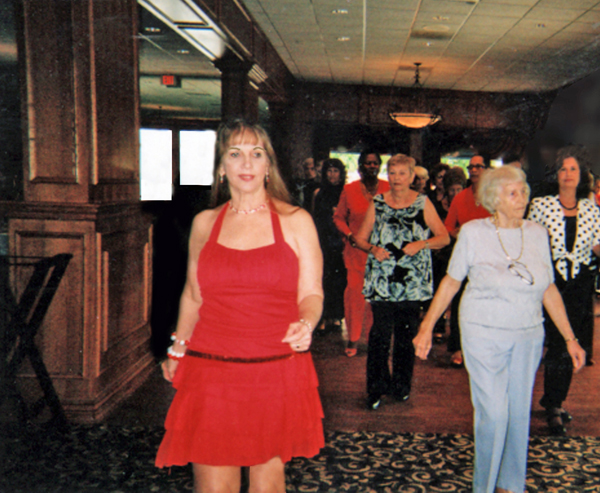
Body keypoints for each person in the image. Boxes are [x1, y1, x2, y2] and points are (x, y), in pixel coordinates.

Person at [155, 119, 325, 492]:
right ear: (221, 166)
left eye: (256, 154)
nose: (246, 164)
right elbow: (193, 294)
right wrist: (176, 349)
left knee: (267, 481)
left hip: (275, 368)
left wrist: (307, 323)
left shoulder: (297, 222)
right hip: (211, 369)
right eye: (235, 154)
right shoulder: (204, 223)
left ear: (268, 166)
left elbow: (311, 292)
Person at [413, 165, 586, 493]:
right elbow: (451, 282)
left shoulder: (536, 233)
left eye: (523, 191)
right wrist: (426, 327)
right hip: (483, 332)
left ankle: (510, 486)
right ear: (494, 199)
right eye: (513, 193)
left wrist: (570, 338)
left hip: (528, 334)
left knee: (518, 414)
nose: (521, 198)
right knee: (493, 415)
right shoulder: (474, 233)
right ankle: (484, 487)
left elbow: (548, 289)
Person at [354, 154, 449, 410]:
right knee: (379, 336)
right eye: (392, 173)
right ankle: (375, 388)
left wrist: (422, 244)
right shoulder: (378, 203)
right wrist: (372, 249)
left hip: (412, 281)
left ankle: (401, 386)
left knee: (406, 337)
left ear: (412, 177)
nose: (397, 179)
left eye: (402, 173)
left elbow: (444, 237)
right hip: (382, 279)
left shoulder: (422, 202)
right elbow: (359, 238)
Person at [527, 144, 600, 435]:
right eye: (562, 168)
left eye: (573, 169)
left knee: (567, 345)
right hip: (548, 282)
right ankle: (540, 400)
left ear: (582, 175)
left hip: (579, 284)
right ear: (555, 174)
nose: (567, 174)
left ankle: (554, 402)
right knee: (547, 342)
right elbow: (530, 245)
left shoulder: (592, 208)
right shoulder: (541, 205)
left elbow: (596, 246)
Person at [333, 150, 390, 357]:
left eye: (375, 163)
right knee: (355, 296)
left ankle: (373, 339)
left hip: (380, 255)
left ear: (379, 166)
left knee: (377, 299)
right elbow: (339, 218)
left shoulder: (388, 188)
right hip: (356, 252)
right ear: (360, 167)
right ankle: (353, 338)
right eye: (367, 163)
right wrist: (349, 235)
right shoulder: (349, 190)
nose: (372, 166)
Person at [444, 155, 491, 367]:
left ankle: (483, 347)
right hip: (465, 255)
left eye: (478, 167)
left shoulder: (494, 196)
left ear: (486, 169)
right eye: (470, 167)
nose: (473, 170)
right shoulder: (460, 197)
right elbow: (446, 228)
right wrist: (458, 234)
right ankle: (458, 347)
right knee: (460, 301)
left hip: (489, 257)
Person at [312, 158, 347, 332]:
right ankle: (323, 316)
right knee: (323, 279)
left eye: (336, 171)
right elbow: (314, 218)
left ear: (341, 174)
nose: (333, 175)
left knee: (339, 280)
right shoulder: (319, 193)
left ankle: (336, 316)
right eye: (329, 171)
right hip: (324, 241)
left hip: (341, 241)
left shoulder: (346, 192)